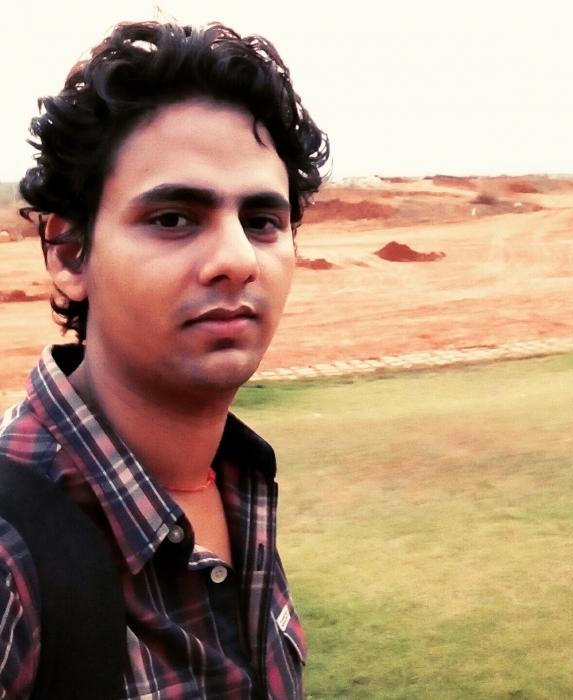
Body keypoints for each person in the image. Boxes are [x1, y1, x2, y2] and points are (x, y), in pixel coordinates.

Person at [0, 19, 329, 700]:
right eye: (174, 218)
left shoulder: (238, 487)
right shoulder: (10, 559)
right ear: (69, 256)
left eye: (262, 222)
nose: (237, 259)